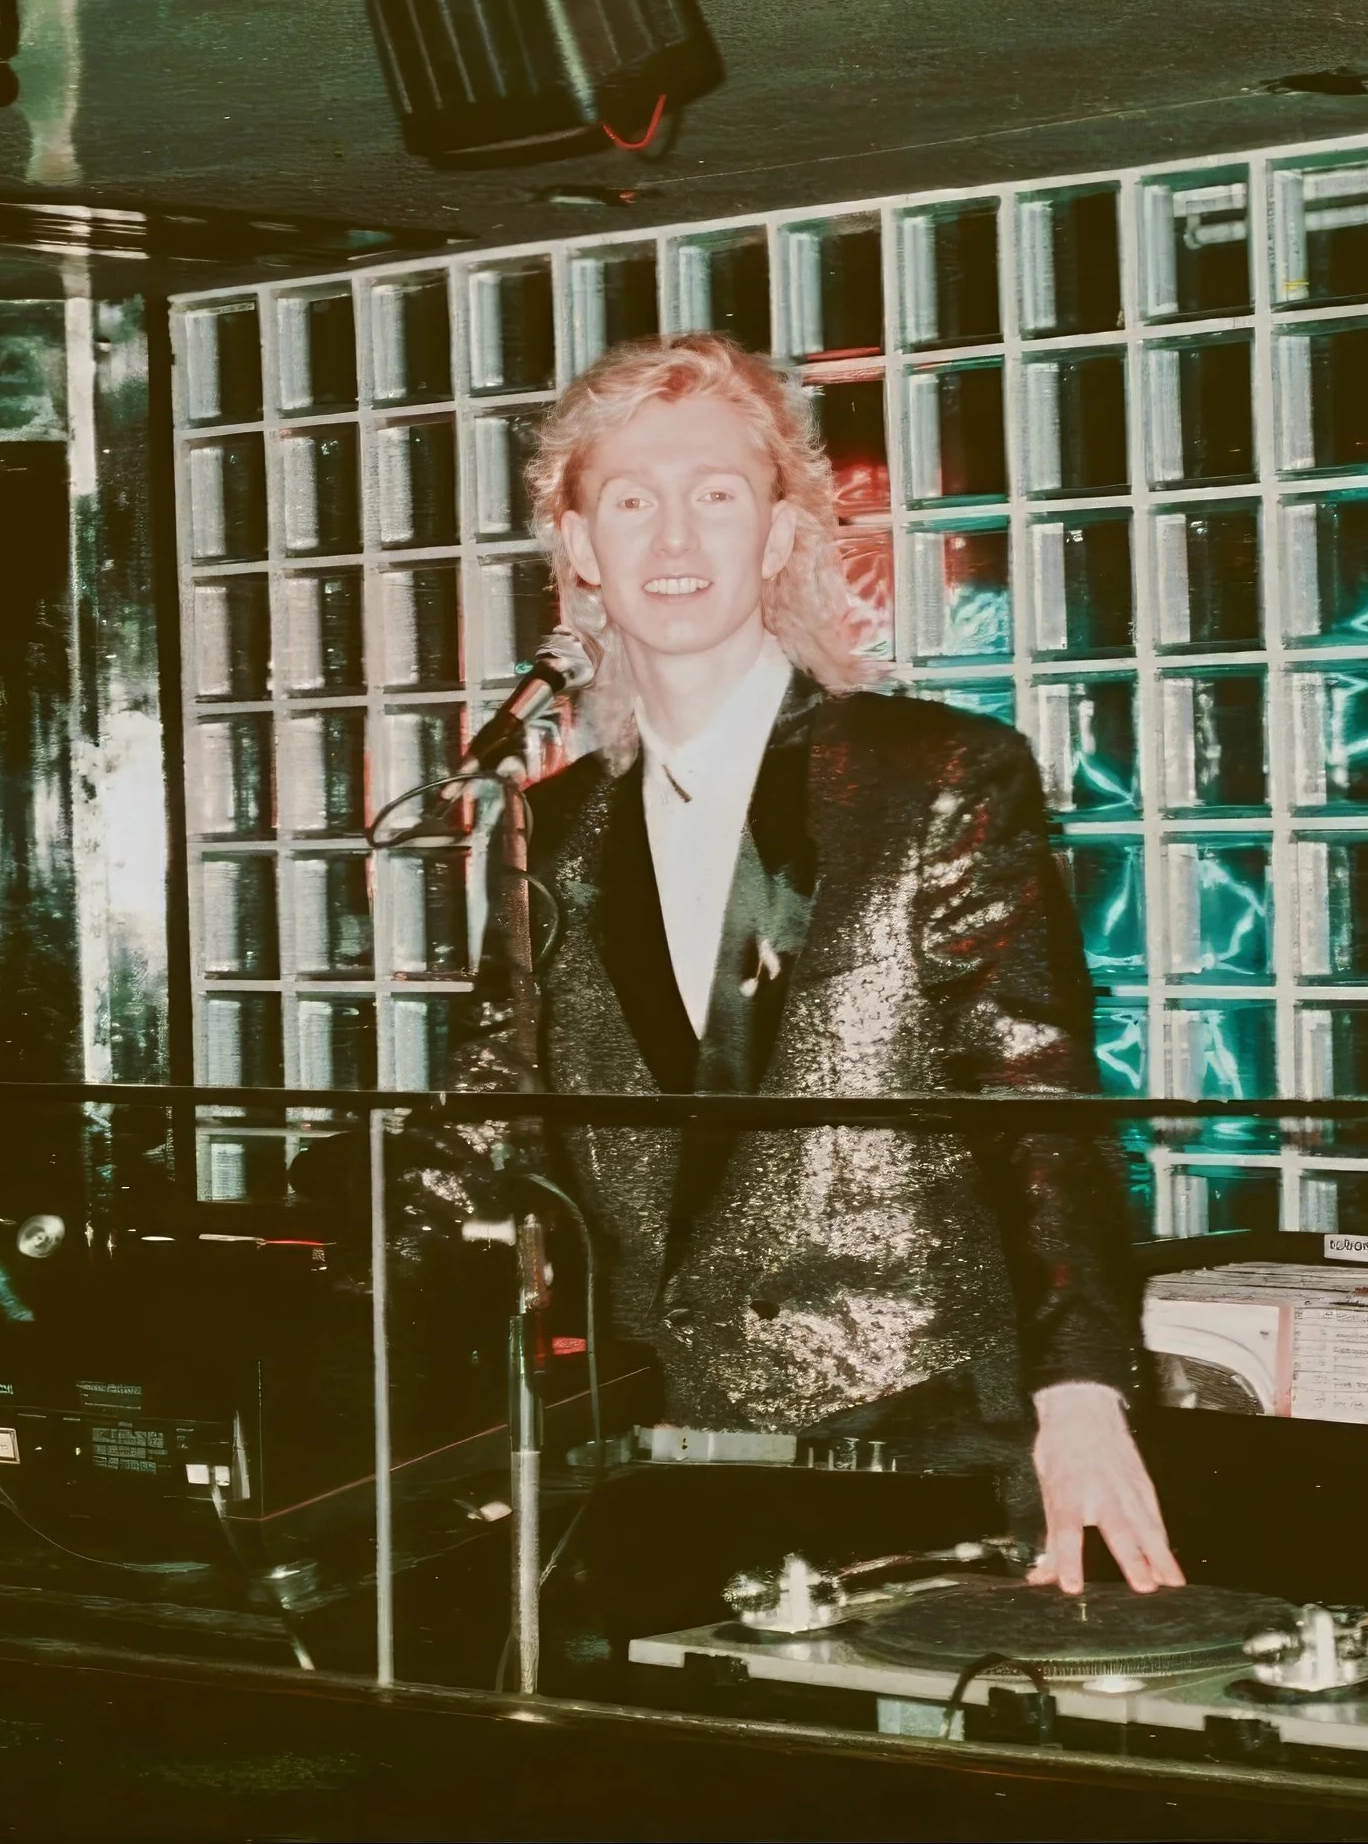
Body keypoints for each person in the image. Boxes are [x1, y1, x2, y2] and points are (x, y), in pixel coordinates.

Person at [453, 332, 1180, 1598]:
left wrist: (1083, 1393)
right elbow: (493, 1117)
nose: (673, 542)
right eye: (630, 502)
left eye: (716, 497)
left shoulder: (937, 776)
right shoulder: (551, 834)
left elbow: (1041, 1105)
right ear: (576, 548)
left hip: (931, 1438)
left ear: (783, 535)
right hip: (667, 1448)